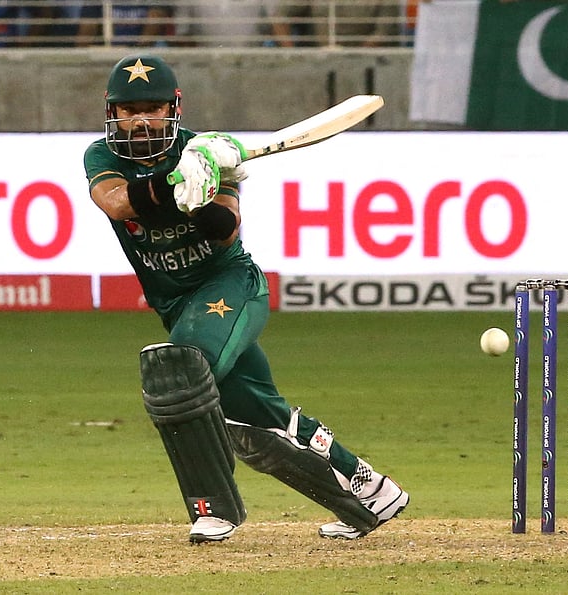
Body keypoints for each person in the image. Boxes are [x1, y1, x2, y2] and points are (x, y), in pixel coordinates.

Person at [83, 54, 409, 543]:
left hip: (230, 288)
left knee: (179, 370)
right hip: (176, 305)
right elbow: (117, 202)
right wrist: (173, 187)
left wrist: (206, 187)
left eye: (151, 108)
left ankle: (214, 509)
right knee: (258, 417)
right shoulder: (102, 157)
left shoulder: (208, 152)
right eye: (130, 110)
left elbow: (225, 231)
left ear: (173, 107)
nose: (141, 120)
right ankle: (370, 492)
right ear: (113, 113)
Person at [273, 1, 401, 47]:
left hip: (365, 63)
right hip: (317, 61)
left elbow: (383, 34)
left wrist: (354, 58)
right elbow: (280, 17)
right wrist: (292, 56)